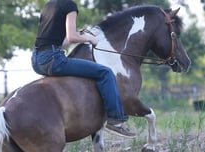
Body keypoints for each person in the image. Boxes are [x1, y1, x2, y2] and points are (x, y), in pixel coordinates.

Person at [31, 0, 135, 138]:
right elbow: (72, 37)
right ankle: (115, 121)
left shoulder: (48, 6)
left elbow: (60, 41)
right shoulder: (69, 5)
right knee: (105, 72)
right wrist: (90, 39)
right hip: (54, 59)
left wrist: (82, 35)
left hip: (36, 60)